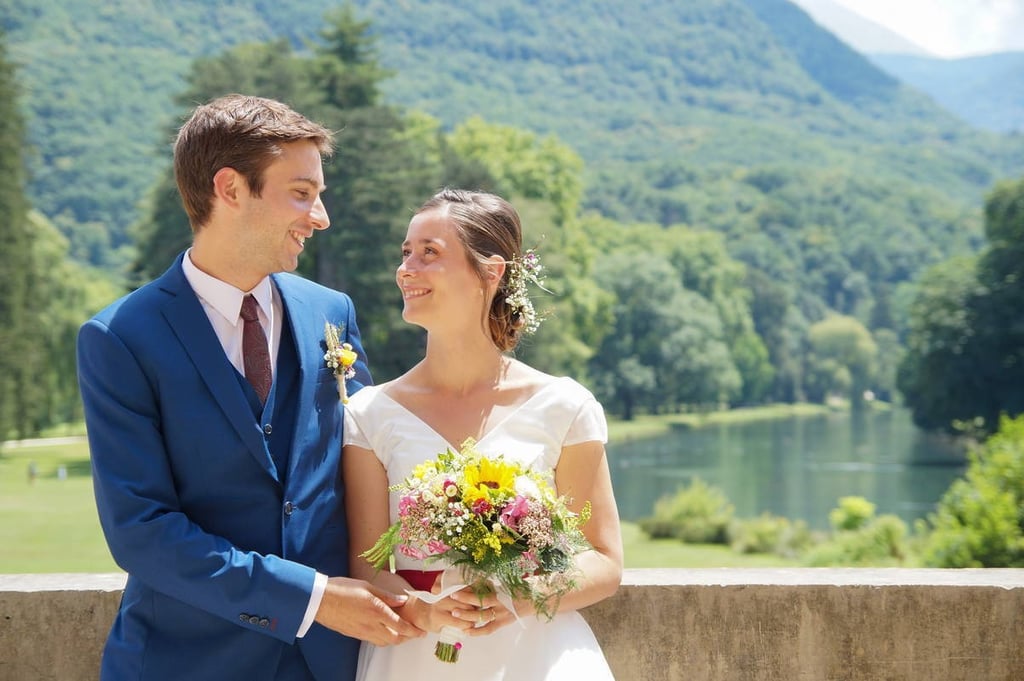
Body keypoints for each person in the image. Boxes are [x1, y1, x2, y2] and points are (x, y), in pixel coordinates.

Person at [77, 94, 421, 681]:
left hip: (330, 663)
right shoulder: (119, 338)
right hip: (185, 662)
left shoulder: (330, 311)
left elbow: (370, 465)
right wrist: (311, 597)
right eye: (302, 193)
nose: (320, 217)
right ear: (230, 189)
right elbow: (141, 531)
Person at [343, 188, 623, 680]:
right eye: (406, 252)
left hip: (537, 657)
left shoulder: (565, 406)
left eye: (430, 252)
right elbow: (366, 566)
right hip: (417, 659)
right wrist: (422, 611)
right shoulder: (370, 414)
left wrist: (519, 596)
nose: (407, 268)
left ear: (491, 274)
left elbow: (602, 559)